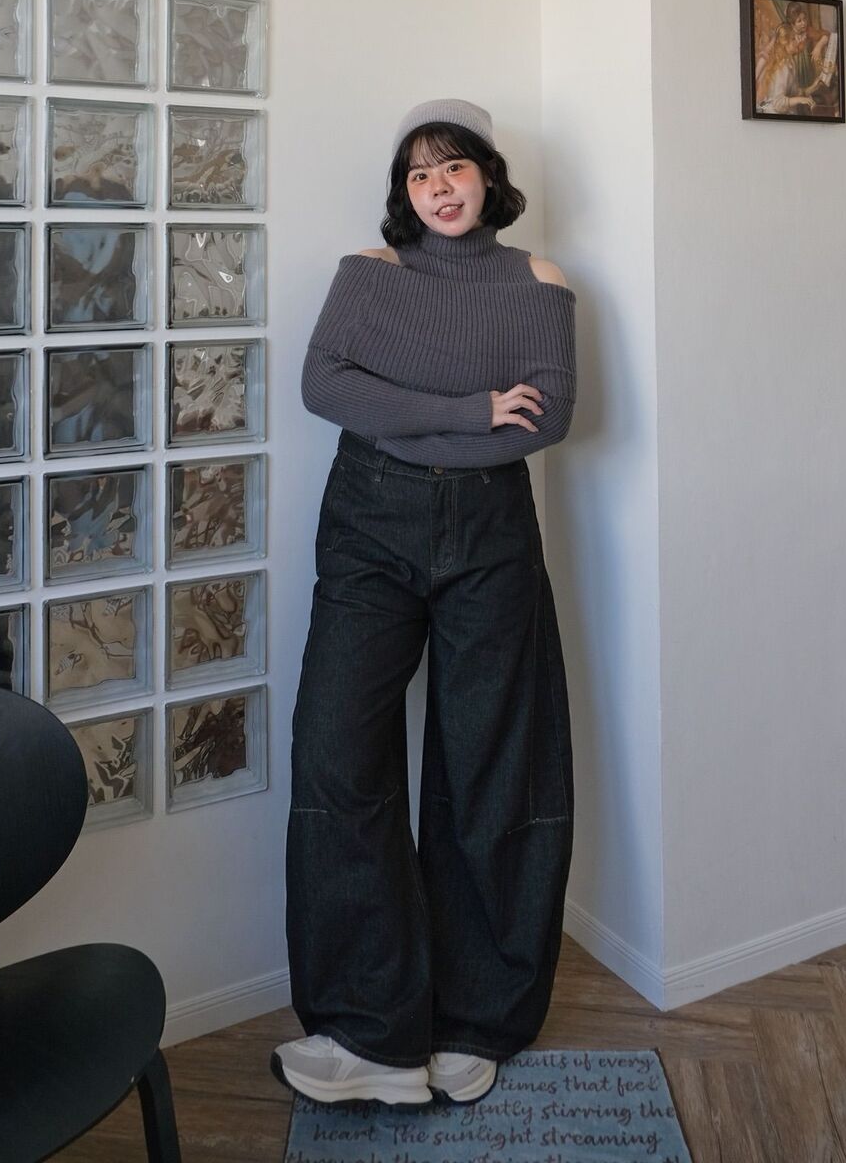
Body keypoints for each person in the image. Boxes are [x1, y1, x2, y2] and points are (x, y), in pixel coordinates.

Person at [271, 98, 577, 1111]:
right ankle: (371, 1032)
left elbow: (545, 420)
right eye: (418, 173)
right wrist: (469, 410)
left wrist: (415, 420)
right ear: (403, 192)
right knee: (336, 752)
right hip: (369, 522)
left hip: (491, 529)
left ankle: (474, 1018)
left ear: (488, 175)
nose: (438, 188)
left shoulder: (539, 283)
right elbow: (326, 387)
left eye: (454, 167)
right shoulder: (370, 273)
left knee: (490, 761)